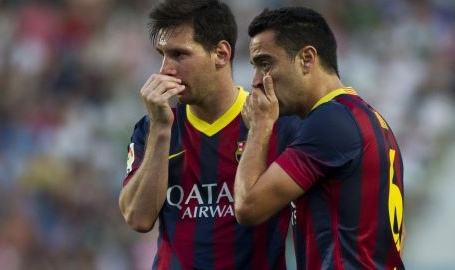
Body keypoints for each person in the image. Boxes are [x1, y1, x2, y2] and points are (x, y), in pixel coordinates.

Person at [118, 1, 301, 269]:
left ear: (221, 54)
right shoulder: (152, 127)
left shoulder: (277, 124)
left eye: (179, 55)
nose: (165, 69)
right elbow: (138, 218)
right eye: (162, 54)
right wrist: (160, 131)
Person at [233, 7, 405, 269]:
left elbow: (247, 207)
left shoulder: (330, 121)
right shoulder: (368, 118)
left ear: (306, 59)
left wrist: (259, 127)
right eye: (255, 67)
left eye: (265, 64)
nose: (256, 81)